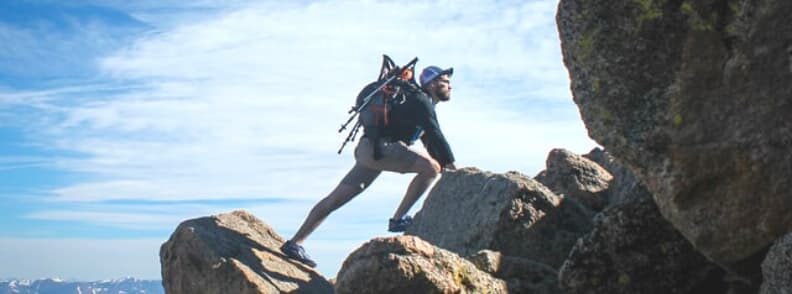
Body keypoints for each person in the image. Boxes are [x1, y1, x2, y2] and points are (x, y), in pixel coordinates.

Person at [280, 65, 457, 267]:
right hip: (380, 149)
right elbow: (436, 135)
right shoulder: (421, 101)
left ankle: (295, 243)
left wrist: (449, 168)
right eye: (446, 82)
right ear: (432, 83)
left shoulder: (419, 103)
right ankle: (399, 219)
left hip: (370, 150)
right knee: (430, 168)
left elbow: (430, 141)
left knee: (335, 199)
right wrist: (454, 169)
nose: (450, 86)